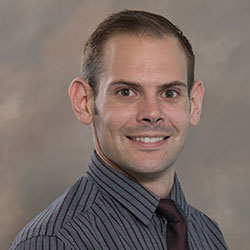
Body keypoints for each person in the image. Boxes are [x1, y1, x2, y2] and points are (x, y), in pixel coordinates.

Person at [10, 10, 229, 250]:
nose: (152, 113)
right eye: (126, 92)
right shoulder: (53, 242)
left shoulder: (207, 234)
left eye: (169, 93)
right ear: (84, 101)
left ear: (194, 104)